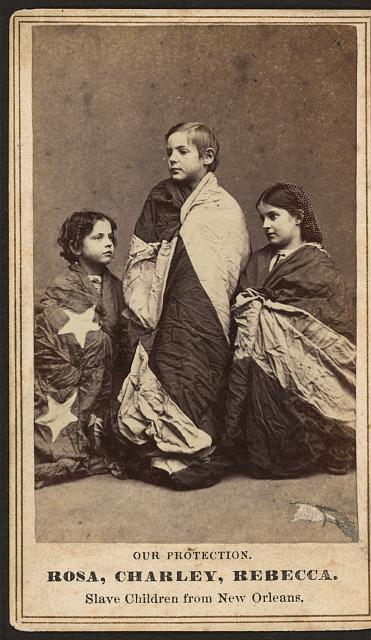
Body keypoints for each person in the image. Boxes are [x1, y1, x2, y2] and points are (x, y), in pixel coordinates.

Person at [112, 122, 250, 490]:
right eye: (168, 151)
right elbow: (141, 255)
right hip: (163, 304)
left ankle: (192, 449)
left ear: (208, 157)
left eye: (182, 151)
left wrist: (200, 295)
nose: (171, 158)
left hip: (205, 312)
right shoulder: (160, 197)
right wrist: (146, 302)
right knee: (165, 364)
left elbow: (230, 261)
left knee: (195, 368)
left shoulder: (223, 207)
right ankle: (162, 448)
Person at [223, 183, 356, 478]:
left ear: (297, 217)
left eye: (273, 216)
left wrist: (274, 313)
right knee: (261, 445)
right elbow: (242, 300)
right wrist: (256, 308)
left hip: (303, 365)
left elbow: (331, 322)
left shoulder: (317, 263)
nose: (266, 225)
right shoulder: (259, 259)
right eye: (262, 219)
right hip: (260, 359)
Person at [34, 210, 130, 488]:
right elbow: (50, 332)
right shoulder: (62, 286)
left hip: (109, 375)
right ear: (76, 246)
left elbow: (123, 334)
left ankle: (99, 439)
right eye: (98, 237)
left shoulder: (117, 287)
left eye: (110, 237)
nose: (108, 243)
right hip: (70, 376)